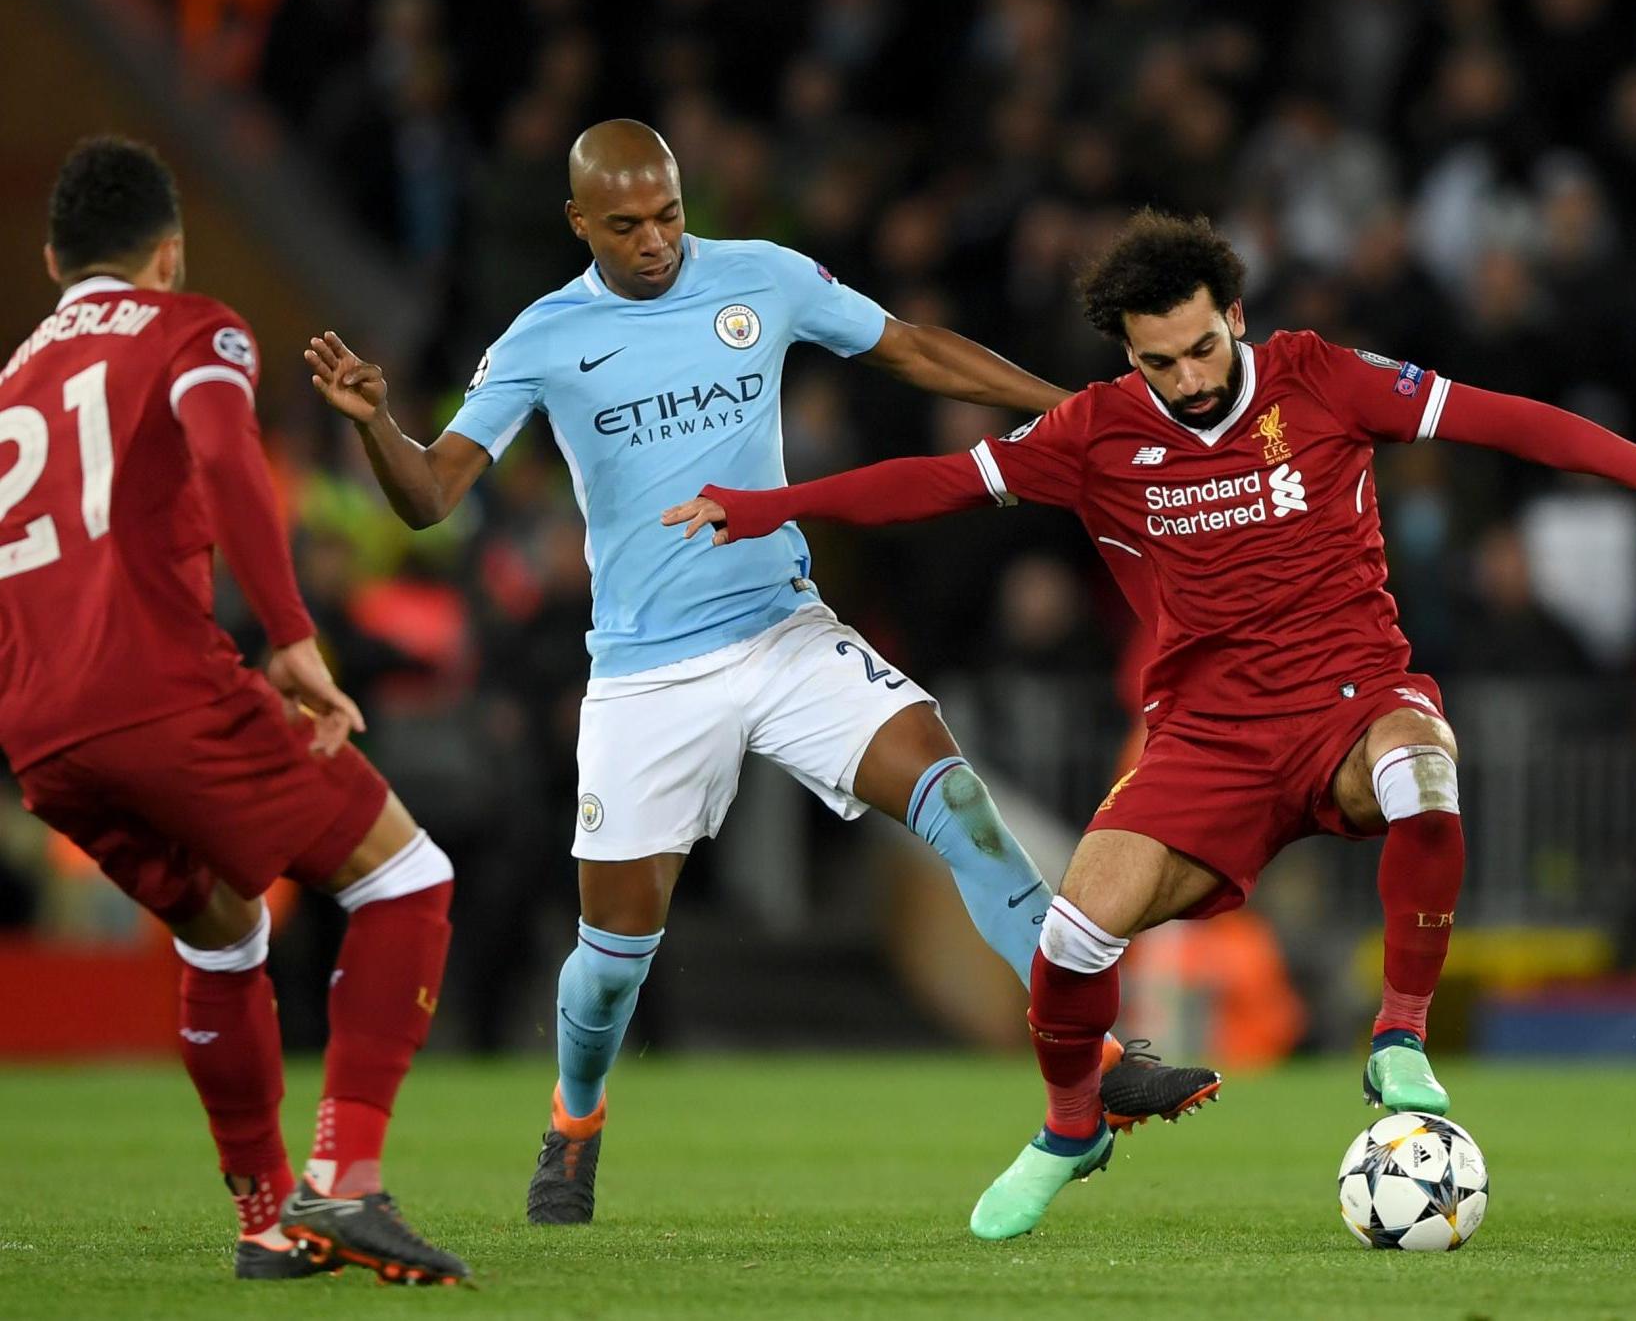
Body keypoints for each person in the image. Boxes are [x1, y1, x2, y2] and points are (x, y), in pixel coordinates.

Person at [662, 208, 1636, 1238]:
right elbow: (934, 483)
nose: (1191, 377)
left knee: (1422, 775)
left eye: (1204, 347)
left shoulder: (1321, 374)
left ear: (1238, 315)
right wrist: (768, 507)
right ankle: (1072, 1125)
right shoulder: (1095, 431)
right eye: (1160, 361)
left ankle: (1398, 1033)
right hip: (1207, 739)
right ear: (1128, 353)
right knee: (1072, 938)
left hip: (1351, 703)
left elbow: (1503, 417)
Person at [304, 119, 1217, 1227]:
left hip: (784, 628)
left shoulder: (763, 279)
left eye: (671, 216)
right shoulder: (544, 336)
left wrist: (1070, 414)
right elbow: (432, 493)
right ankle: (575, 1117)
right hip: (647, 676)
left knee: (953, 794)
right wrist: (374, 429)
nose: (656, 242)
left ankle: (1100, 1053)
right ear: (579, 223)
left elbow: (914, 346)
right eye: (628, 225)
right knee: (610, 963)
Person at [0, 138, 467, 1284]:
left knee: (226, 928)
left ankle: (267, 1222)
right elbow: (222, 452)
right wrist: (294, 636)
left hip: (41, 732)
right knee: (405, 876)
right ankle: (343, 1182)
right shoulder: (193, 327)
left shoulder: (9, 383)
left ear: (57, 257)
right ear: (168, 252)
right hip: (159, 687)